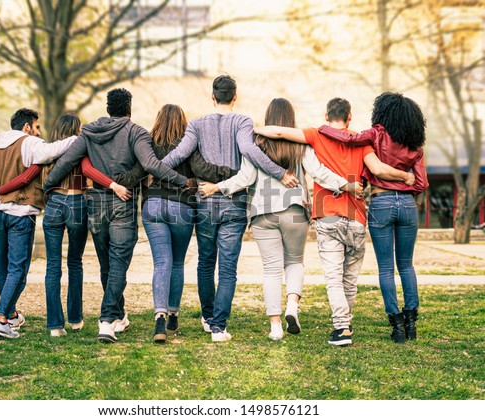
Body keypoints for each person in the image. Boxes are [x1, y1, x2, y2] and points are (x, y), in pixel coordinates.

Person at [254, 97, 415, 346]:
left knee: (333, 278)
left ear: (326, 116)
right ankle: (345, 324)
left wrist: (250, 129)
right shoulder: (362, 143)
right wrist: (405, 176)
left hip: (327, 213)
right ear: (349, 117)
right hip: (356, 217)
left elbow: (276, 131)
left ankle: (342, 329)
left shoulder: (317, 135)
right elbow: (379, 169)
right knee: (349, 279)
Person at [198, 98, 363, 340]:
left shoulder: (257, 144)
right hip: (295, 211)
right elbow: (319, 172)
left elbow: (244, 178)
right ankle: (292, 307)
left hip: (263, 213)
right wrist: (345, 185)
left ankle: (275, 326)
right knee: (294, 262)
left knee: (271, 271)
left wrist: (217, 187)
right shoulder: (301, 146)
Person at [42, 88, 193, 344]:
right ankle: (107, 320)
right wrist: (183, 181)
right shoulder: (136, 132)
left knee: (108, 266)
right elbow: (151, 165)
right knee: (118, 266)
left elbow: (67, 161)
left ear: (108, 108)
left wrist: (48, 186)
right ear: (129, 109)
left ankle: (119, 316)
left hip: (95, 204)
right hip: (123, 204)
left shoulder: (89, 133)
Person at [161, 75, 298, 342]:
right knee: (227, 268)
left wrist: (152, 168)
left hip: (205, 203)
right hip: (234, 204)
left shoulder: (197, 124)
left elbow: (179, 154)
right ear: (235, 96)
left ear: (212, 97)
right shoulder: (243, 121)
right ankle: (218, 327)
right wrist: (280, 173)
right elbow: (250, 152)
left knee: (205, 263)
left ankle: (208, 316)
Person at [0, 114, 131, 337]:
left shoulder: (46, 152)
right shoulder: (79, 148)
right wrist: (113, 185)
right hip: (76, 203)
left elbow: (26, 176)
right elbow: (89, 170)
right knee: (75, 262)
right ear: (75, 130)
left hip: (53, 206)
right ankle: (75, 319)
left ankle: (55, 325)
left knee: (52, 266)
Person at [112, 104, 237, 342]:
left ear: (158, 120)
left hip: (153, 206)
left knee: (161, 263)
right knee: (177, 263)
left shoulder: (147, 143)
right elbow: (203, 169)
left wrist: (114, 181)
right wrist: (232, 171)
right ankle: (173, 315)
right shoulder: (188, 143)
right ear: (182, 121)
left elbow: (137, 172)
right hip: (182, 208)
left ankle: (159, 317)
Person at [317, 92, 428, 343]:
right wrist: (404, 182)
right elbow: (421, 183)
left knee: (386, 268)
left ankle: (397, 327)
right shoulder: (415, 146)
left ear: (383, 113)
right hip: (408, 206)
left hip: (381, 203)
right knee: (407, 265)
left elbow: (348, 136)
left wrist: (323, 128)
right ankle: (411, 323)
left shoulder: (376, 133)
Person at [0, 108, 77, 339]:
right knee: (18, 268)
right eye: (37, 127)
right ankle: (1, 319)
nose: (39, 132)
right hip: (20, 213)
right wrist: (77, 137)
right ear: (27, 127)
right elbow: (52, 151)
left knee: (3, 269)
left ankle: (11, 315)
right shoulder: (28, 143)